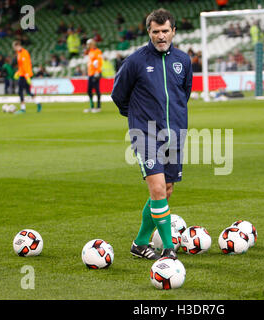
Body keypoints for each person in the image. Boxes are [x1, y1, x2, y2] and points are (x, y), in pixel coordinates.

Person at [111, 8, 193, 260]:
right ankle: (168, 249)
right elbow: (118, 95)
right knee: (157, 189)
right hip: (145, 134)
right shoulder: (135, 61)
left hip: (175, 133)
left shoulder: (184, 60)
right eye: (155, 31)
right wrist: (138, 119)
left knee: (166, 190)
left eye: (165, 31)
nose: (160, 36)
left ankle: (139, 243)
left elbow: (184, 95)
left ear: (173, 31)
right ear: (149, 32)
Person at [12, 41, 42, 113]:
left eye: (14, 47)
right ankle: (25, 108)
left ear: (17, 45)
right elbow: (21, 66)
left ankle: (33, 105)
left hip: (26, 75)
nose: (14, 49)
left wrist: (27, 76)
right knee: (22, 91)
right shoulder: (19, 53)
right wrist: (18, 72)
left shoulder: (24, 53)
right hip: (22, 74)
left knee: (26, 91)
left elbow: (27, 65)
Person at [83, 38, 103, 113]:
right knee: (89, 90)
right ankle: (91, 106)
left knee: (97, 90)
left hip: (96, 73)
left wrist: (97, 72)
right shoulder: (90, 52)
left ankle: (98, 107)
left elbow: (99, 62)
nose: (88, 45)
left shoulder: (98, 51)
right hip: (90, 73)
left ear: (93, 44)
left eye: (89, 44)